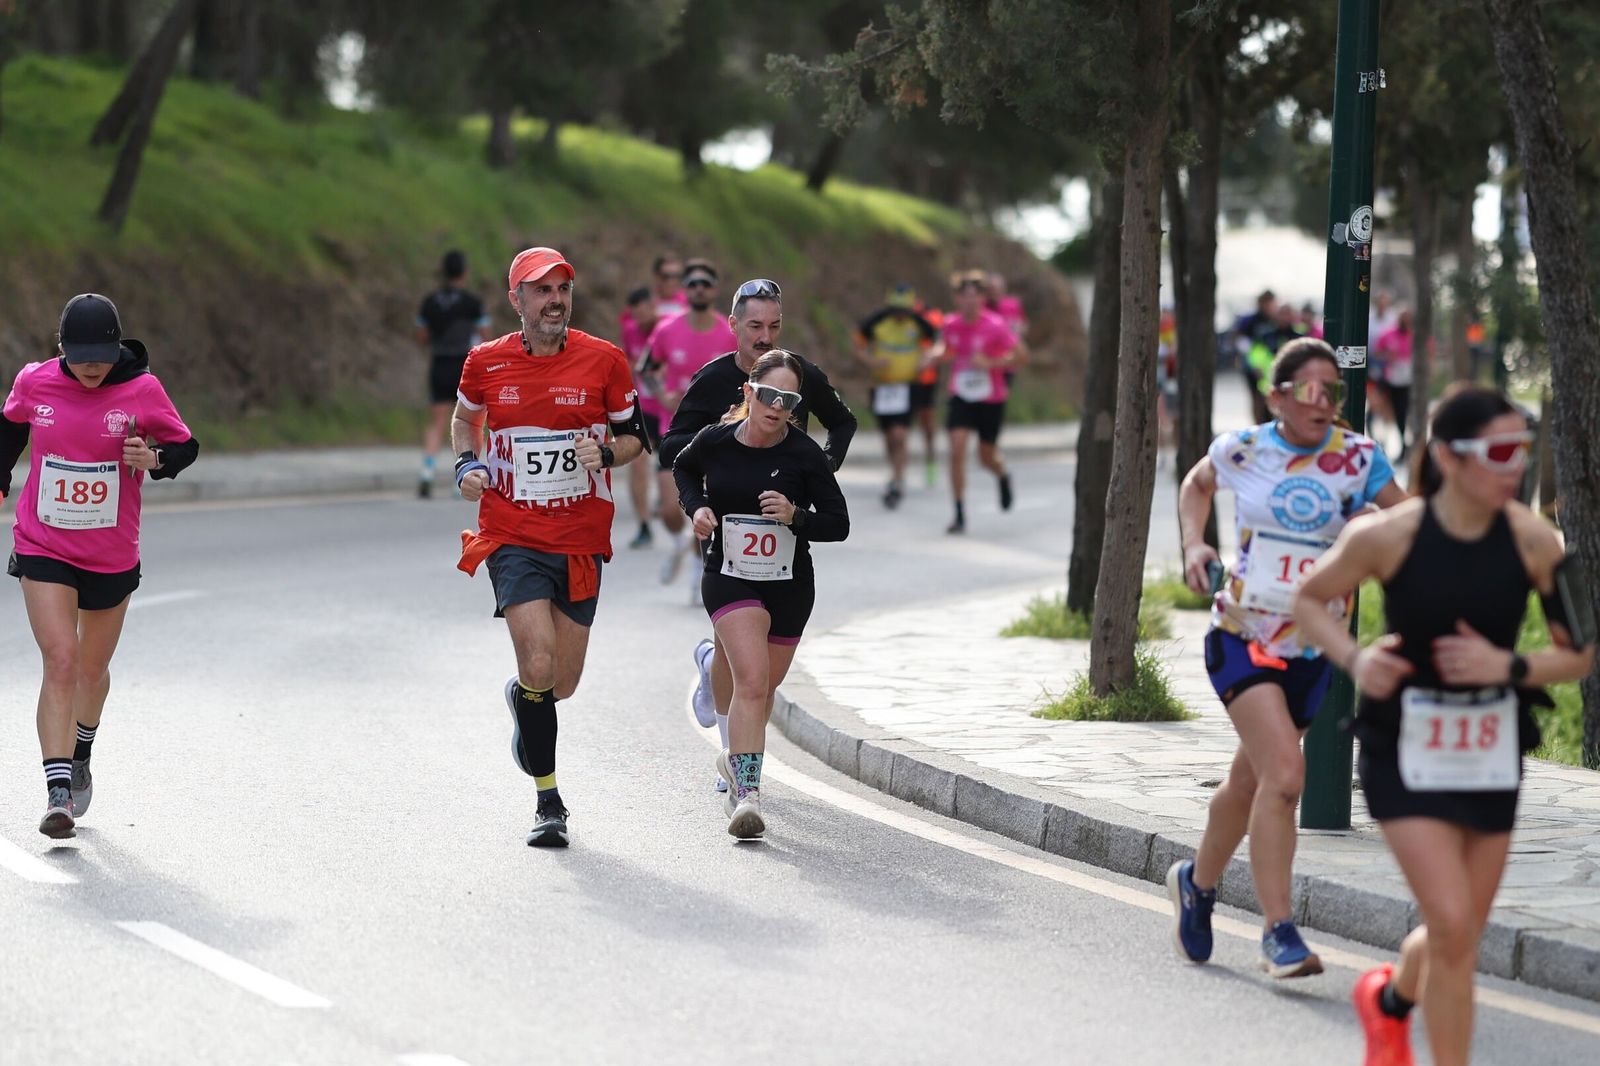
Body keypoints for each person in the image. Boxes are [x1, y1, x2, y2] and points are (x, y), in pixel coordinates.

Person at [1293, 384, 1592, 1066]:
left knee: (1460, 929)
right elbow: (1309, 599)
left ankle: (1391, 1000)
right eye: (1502, 451)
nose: (1517, 464)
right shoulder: (1385, 536)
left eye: (1523, 447)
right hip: (1403, 745)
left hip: (1492, 748)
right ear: (1452, 458)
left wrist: (1505, 664)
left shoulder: (1536, 541)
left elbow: (1580, 654)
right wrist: (1354, 657)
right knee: (1455, 925)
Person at [1168, 337, 1408, 979]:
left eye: (1335, 391)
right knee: (1286, 778)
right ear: (1277, 396)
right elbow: (1196, 483)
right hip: (1241, 635)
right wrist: (1194, 544)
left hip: (1313, 648)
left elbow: (1408, 523)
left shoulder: (1359, 459)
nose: (1324, 402)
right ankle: (1279, 932)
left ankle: (1197, 882)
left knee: (1249, 783)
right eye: (1309, 390)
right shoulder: (1246, 448)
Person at [452, 247, 650, 848]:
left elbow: (636, 436)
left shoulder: (605, 360)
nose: (555, 300)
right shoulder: (485, 363)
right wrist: (466, 464)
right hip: (512, 533)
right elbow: (466, 422)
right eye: (540, 290)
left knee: (559, 685)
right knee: (535, 659)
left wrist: (609, 453)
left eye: (562, 289)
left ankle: (526, 701)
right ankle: (549, 802)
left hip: (581, 539)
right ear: (516, 300)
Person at [1, 294, 200, 838]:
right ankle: (57, 792)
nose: (93, 366)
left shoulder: (142, 390)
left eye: (102, 355)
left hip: (111, 553)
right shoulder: (35, 382)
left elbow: (186, 445)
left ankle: (82, 749)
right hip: (44, 542)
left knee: (91, 670)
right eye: (82, 354)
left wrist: (154, 459)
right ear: (61, 347)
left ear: (117, 348)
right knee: (61, 660)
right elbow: (8, 431)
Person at [660, 277, 857, 791]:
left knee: (752, 676)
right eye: (755, 327)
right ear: (734, 328)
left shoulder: (800, 374)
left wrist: (817, 473)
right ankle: (739, 772)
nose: (764, 338)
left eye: (774, 327)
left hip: (785, 542)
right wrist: (717, 456)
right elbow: (673, 450)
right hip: (727, 534)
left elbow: (844, 421)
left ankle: (714, 680)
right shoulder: (713, 379)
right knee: (748, 676)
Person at [641, 259, 738, 594]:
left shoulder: (728, 333)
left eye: (705, 284)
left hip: (716, 433)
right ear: (685, 290)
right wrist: (663, 396)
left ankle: (701, 567)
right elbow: (646, 369)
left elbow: (745, 375)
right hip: (675, 431)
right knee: (669, 510)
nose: (699, 289)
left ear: (715, 290)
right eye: (693, 283)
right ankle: (681, 539)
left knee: (709, 505)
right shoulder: (668, 329)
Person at [937, 270, 1019, 534]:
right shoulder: (950, 324)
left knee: (986, 457)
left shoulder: (995, 325)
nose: (970, 301)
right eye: (964, 296)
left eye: (975, 295)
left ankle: (1002, 474)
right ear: (956, 299)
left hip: (990, 396)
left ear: (983, 298)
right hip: (961, 394)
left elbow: (1021, 356)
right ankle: (959, 513)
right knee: (957, 448)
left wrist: (992, 362)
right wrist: (932, 356)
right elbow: (945, 348)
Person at [853, 283, 938, 508]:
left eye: (904, 311)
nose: (900, 315)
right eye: (896, 310)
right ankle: (895, 471)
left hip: (907, 386)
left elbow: (936, 344)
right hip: (881, 387)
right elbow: (858, 345)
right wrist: (870, 360)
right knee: (889, 436)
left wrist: (926, 359)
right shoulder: (877, 322)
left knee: (900, 434)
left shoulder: (919, 323)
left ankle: (898, 480)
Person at [415, 251, 492, 498]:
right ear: (465, 273)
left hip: (439, 363)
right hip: (464, 366)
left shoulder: (430, 301)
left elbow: (422, 336)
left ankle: (427, 472)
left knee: (437, 421)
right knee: (467, 422)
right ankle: (460, 475)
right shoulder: (472, 302)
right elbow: (485, 336)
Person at [618, 286, 663, 548]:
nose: (639, 320)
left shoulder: (668, 330)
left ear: (653, 306)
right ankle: (644, 525)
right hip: (643, 408)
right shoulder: (630, 331)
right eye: (635, 315)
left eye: (643, 312)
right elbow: (628, 366)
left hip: (670, 409)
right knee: (637, 463)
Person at [1373, 309, 1418, 459]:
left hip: (1406, 382)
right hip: (1388, 379)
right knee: (1376, 411)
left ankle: (1405, 446)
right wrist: (1387, 356)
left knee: (1402, 414)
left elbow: (1428, 354)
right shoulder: (1388, 334)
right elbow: (1376, 351)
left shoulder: (1415, 336)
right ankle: (1378, 443)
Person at [1231, 290, 1280, 424]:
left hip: (1269, 366)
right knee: (1256, 398)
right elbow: (1237, 337)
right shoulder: (1250, 320)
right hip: (1251, 367)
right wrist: (1248, 351)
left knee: (1271, 396)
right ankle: (1258, 425)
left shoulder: (1274, 319)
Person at [650, 254, 687, 319]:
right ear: (656, 276)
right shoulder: (646, 300)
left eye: (676, 276)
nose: (672, 282)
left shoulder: (689, 300)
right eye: (666, 276)